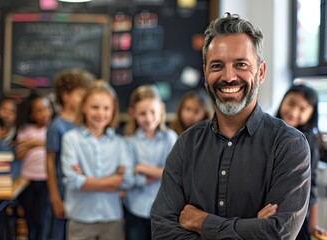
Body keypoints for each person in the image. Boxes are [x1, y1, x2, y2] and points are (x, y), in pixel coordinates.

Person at [151, 12, 311, 239]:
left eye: (241, 64)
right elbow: (162, 231)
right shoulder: (186, 144)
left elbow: (278, 234)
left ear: (261, 72)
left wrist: (202, 222)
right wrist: (253, 228)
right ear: (205, 73)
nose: (228, 76)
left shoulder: (289, 145)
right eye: (217, 66)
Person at [61, 80, 133, 239]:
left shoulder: (120, 143)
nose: (100, 113)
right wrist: (113, 180)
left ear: (113, 110)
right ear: (84, 107)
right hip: (80, 217)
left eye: (106, 108)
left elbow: (127, 180)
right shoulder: (71, 139)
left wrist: (86, 181)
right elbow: (73, 181)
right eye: (95, 107)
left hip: (111, 217)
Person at [45, 68, 95, 240]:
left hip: (82, 190)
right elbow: (50, 163)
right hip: (62, 190)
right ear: (65, 95)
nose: (84, 100)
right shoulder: (57, 126)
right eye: (80, 95)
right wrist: (55, 199)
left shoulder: (87, 123)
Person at [123, 85, 178, 240]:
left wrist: (142, 168)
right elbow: (127, 179)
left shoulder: (170, 138)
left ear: (161, 108)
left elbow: (174, 174)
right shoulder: (128, 141)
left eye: (152, 111)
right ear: (133, 113)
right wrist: (157, 174)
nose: (148, 118)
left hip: (164, 211)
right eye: (142, 113)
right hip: (135, 209)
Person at [276, 84, 327, 240]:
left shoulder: (308, 143)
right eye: (291, 103)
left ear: (311, 114)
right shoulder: (267, 132)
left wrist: (312, 226)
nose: (293, 112)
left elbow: (311, 185)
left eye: (302, 109)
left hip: (295, 218)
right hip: (264, 215)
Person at [16, 93, 54, 240]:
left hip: (46, 180)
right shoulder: (25, 130)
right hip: (27, 180)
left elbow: (54, 148)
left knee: (42, 219)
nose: (44, 113)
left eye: (46, 108)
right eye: (38, 110)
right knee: (30, 219)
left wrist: (32, 144)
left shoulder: (54, 129)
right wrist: (36, 144)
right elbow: (20, 154)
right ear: (31, 114)